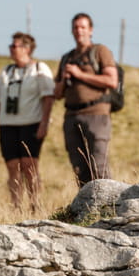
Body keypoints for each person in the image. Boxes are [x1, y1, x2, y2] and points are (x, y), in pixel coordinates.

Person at [0, 31, 56, 213]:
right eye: (11, 45)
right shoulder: (7, 71)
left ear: (26, 49)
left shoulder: (40, 69)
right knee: (12, 166)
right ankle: (16, 206)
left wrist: (44, 123)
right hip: (8, 124)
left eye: (14, 45)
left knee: (29, 165)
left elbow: (48, 98)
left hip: (31, 123)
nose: (10, 49)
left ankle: (35, 205)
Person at [54, 12, 120, 186]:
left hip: (96, 114)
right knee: (79, 169)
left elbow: (112, 81)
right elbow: (57, 93)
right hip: (72, 116)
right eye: (75, 27)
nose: (79, 31)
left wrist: (80, 74)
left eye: (83, 27)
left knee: (99, 166)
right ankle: (87, 209)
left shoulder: (99, 51)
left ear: (90, 30)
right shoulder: (67, 58)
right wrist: (64, 79)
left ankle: (109, 207)